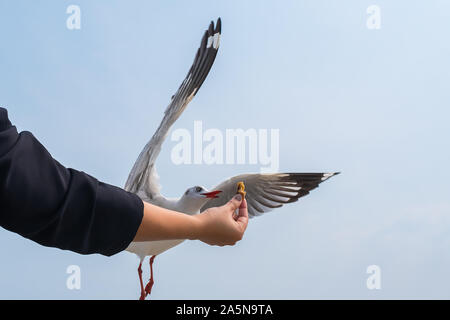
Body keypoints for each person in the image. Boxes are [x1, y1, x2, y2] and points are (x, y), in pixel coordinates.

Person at [0, 107, 248, 256]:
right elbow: (61, 201)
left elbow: (57, 198)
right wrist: (201, 228)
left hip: (123, 230)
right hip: (124, 231)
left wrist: (201, 227)